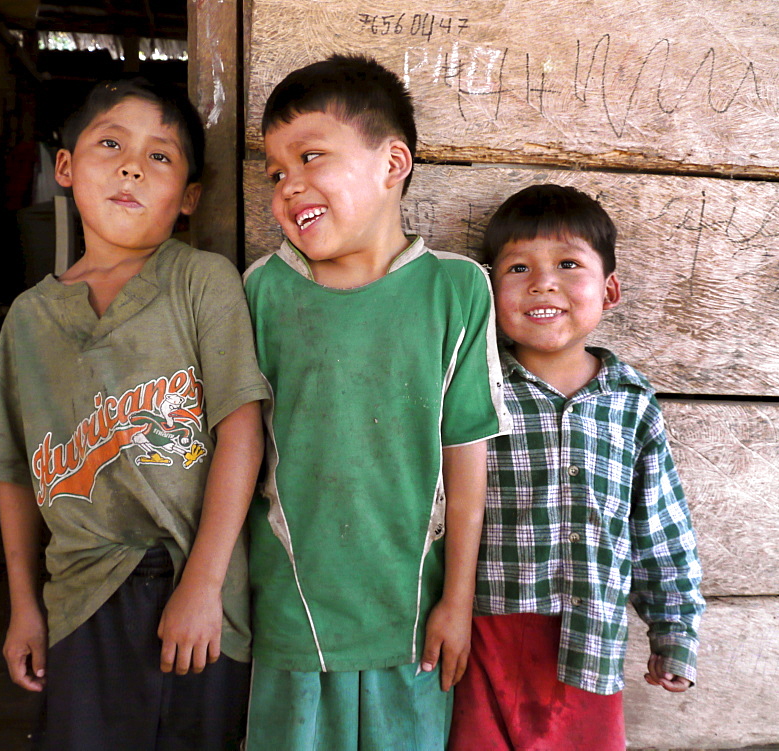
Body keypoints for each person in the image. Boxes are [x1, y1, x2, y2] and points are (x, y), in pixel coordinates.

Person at [0, 78, 269, 751]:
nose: (133, 165)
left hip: (194, 580)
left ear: (188, 197)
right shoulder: (29, 319)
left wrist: (205, 583)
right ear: (64, 167)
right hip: (80, 593)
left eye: (161, 156)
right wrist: (24, 607)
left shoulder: (200, 281)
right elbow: (13, 471)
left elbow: (241, 429)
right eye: (110, 144)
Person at [242, 55, 512, 751]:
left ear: (393, 163)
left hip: (412, 618)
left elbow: (465, 461)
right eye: (275, 172)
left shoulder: (458, 292)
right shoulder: (261, 293)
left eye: (309, 157)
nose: (288, 186)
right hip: (291, 612)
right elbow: (240, 453)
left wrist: (457, 600)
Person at [449, 184, 705, 750]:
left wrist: (675, 635)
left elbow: (661, 532)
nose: (543, 282)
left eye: (568, 263)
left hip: (591, 642)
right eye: (518, 267)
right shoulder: (475, 388)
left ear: (609, 290)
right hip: (483, 635)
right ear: (490, 289)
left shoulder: (630, 401)